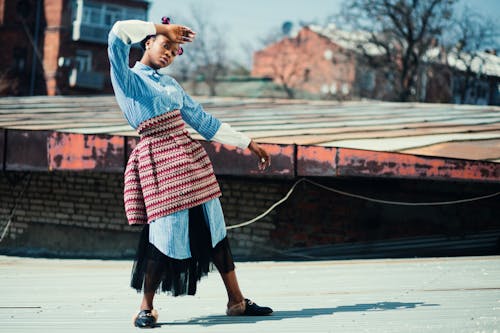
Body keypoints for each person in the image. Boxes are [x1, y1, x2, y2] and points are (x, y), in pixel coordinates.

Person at [108, 18, 273, 328]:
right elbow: (116, 34)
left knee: (216, 230)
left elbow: (203, 121)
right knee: (164, 235)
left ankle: (237, 301)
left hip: (193, 162)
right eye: (164, 44)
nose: (169, 52)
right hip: (159, 164)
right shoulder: (127, 79)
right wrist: (159, 26)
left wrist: (248, 143)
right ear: (147, 42)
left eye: (175, 49)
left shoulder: (171, 85)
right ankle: (145, 307)